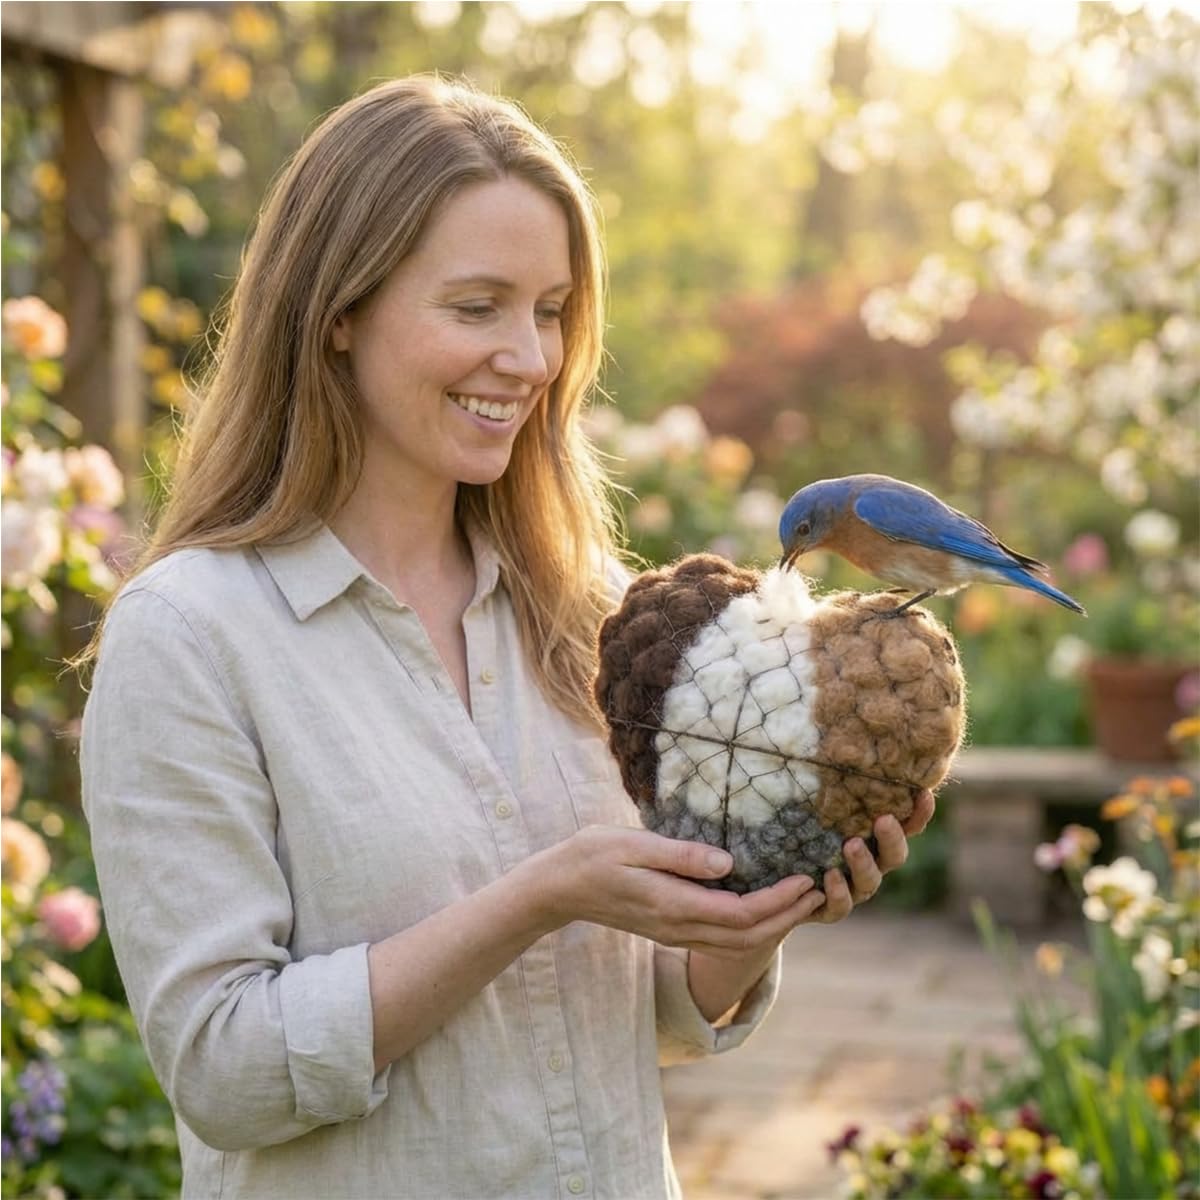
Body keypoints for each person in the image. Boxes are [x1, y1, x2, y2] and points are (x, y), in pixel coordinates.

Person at [80, 75, 933, 1200]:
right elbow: (225, 1069)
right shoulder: (192, 637)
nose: (530, 359)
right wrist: (540, 894)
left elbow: (641, 1015)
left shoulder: (586, 611)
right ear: (338, 311)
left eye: (550, 310)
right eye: (477, 307)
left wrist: (755, 920)